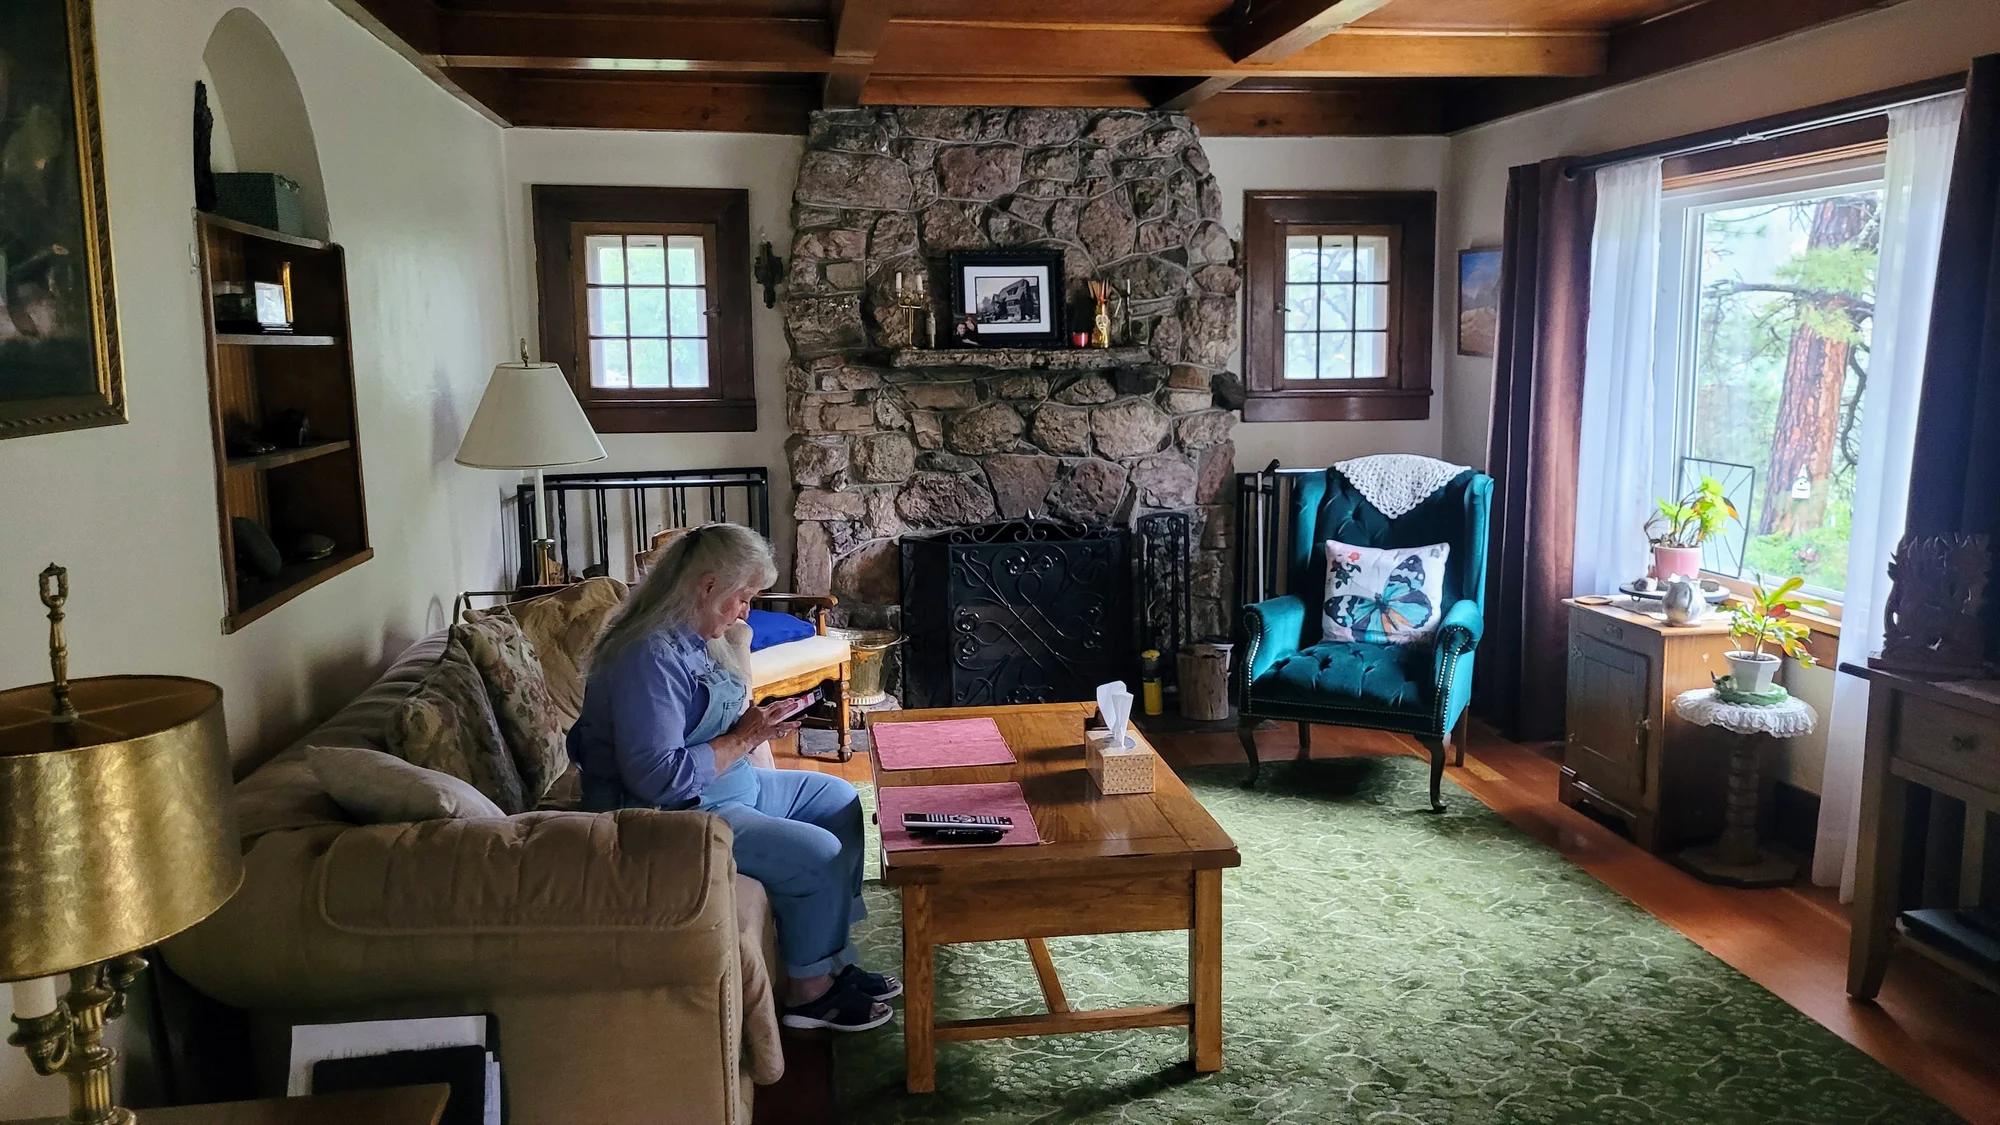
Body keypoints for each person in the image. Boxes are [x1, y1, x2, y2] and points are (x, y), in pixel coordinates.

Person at [568, 523, 898, 1032]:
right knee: (819, 854)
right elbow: (660, 779)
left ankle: (829, 960)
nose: (746, 611)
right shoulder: (647, 658)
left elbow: (720, 721)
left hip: (732, 787)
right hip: (673, 815)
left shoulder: (696, 634)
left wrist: (759, 726)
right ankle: (810, 997)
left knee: (837, 799)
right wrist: (745, 738)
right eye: (742, 597)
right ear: (706, 586)